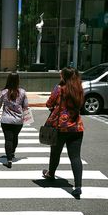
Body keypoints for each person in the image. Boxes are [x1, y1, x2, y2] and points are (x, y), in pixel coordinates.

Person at [42, 67, 84, 199]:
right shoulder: (79, 88)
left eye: (61, 75)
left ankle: (51, 174)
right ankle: (78, 186)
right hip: (77, 127)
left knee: (55, 153)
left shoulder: (59, 88)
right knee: (75, 157)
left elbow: (49, 104)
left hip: (60, 127)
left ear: (64, 76)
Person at [0, 73, 29, 168]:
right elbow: (26, 106)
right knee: (15, 137)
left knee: (8, 139)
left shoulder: (4, 92)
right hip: (18, 120)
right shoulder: (22, 92)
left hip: (6, 120)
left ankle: (9, 159)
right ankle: (12, 152)